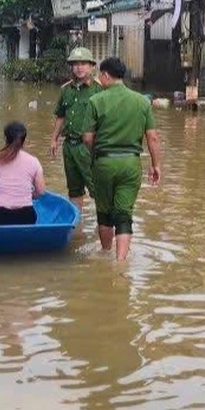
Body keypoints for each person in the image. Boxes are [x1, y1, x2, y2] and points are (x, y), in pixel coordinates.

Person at [82, 57, 162, 261]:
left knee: (105, 213)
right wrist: (156, 165)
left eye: (101, 75)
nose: (100, 79)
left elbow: (87, 138)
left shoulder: (96, 101)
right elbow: (152, 137)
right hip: (130, 164)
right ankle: (120, 262)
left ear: (106, 75)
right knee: (124, 214)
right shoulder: (141, 101)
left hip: (104, 163)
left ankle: (106, 252)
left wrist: (97, 154)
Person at [49, 47, 102, 214]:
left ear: (92, 66)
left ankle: (106, 228)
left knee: (98, 189)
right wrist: (54, 139)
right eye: (75, 64)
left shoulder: (99, 90)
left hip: (89, 147)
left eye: (83, 64)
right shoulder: (66, 90)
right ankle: (77, 228)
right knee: (74, 189)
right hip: (69, 146)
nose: (79, 67)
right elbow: (61, 116)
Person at [0, 122, 45, 226]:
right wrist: (27, 196)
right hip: (27, 217)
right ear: (24, 140)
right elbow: (40, 192)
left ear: (5, 139)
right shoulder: (34, 161)